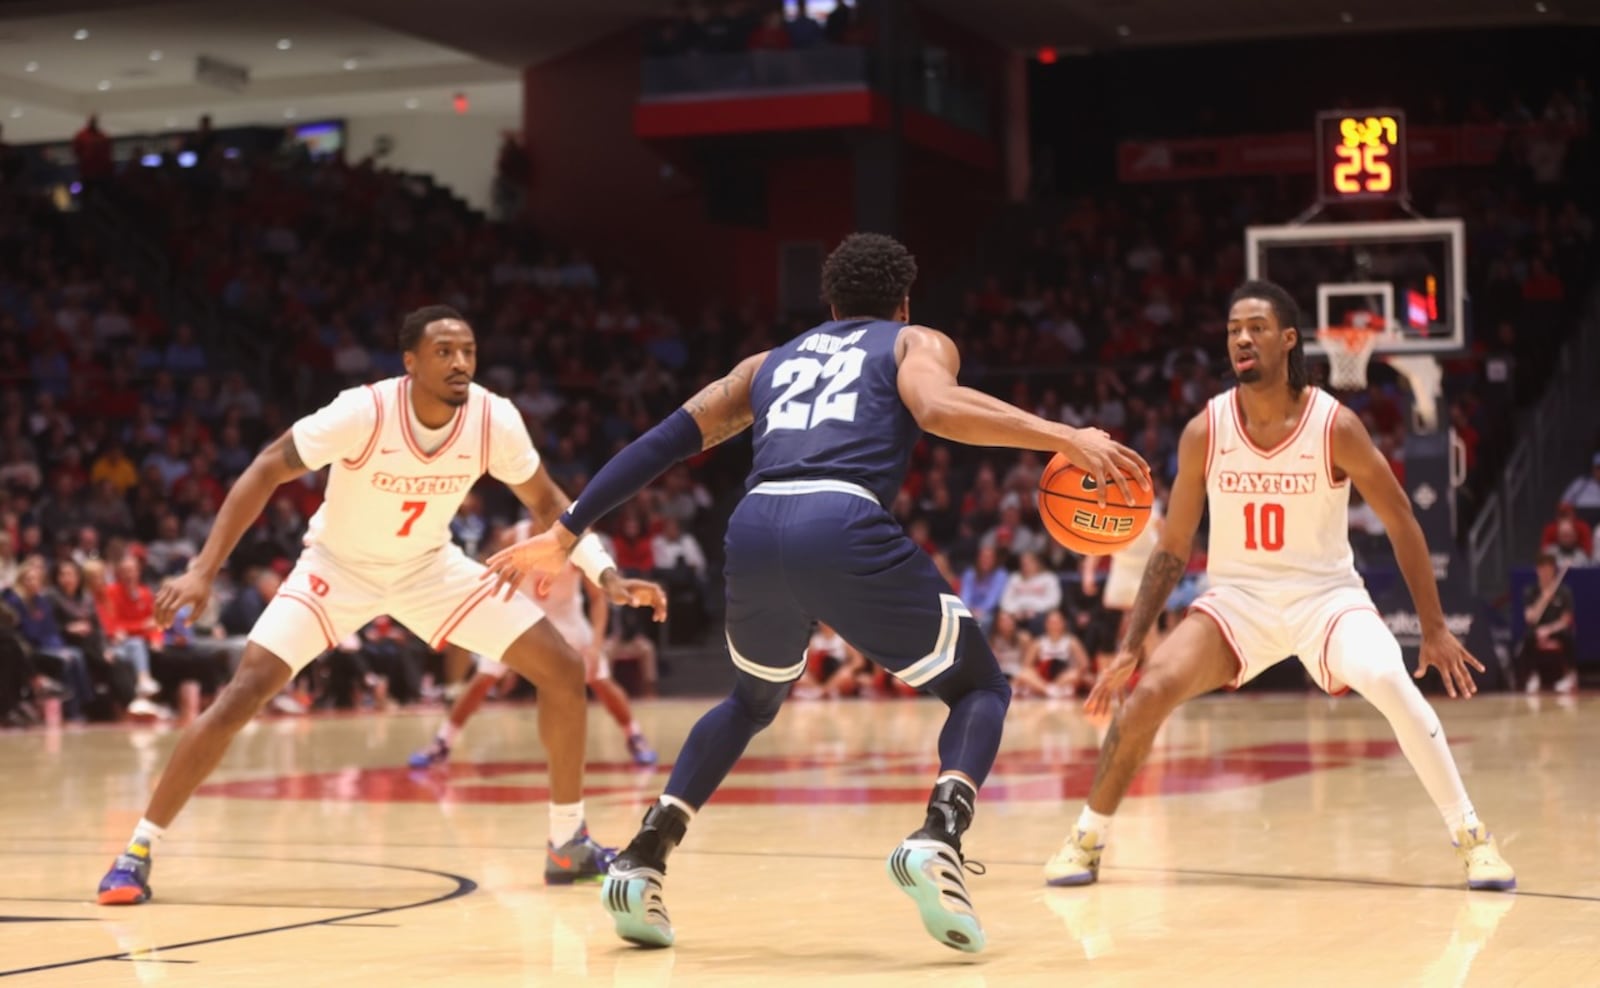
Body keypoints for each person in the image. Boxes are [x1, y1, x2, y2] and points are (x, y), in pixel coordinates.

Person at [488, 233, 1148, 952]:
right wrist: (1060, 435)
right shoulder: (913, 340)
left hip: (754, 523)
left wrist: (567, 529)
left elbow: (662, 442)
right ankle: (940, 836)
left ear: (829, 303)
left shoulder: (767, 362)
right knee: (980, 685)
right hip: (841, 517)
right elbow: (936, 407)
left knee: (749, 702)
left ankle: (645, 855)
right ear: (903, 302)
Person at [96, 305, 666, 906]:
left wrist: (605, 573)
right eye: (444, 351)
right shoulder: (362, 410)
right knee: (245, 691)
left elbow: (551, 501)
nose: (460, 363)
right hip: (337, 568)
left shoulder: (493, 418)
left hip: (429, 568)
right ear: (410, 362)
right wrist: (203, 569)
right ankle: (136, 848)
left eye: (468, 351)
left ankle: (566, 843)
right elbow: (267, 467)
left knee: (565, 666)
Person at [1043, 280, 1516, 893]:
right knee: (1150, 689)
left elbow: (1402, 519)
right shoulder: (1204, 430)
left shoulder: (1335, 426)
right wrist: (1133, 644)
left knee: (1387, 679)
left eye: (1256, 327)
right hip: (1238, 600)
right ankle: (1088, 836)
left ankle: (1472, 837)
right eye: (1234, 328)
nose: (1242, 337)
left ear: (1288, 339)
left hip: (1326, 598)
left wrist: (1432, 627)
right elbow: (1173, 546)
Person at [410, 519, 661, 769]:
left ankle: (634, 737)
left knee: (600, 680)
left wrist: (596, 646)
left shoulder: (577, 538)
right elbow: (492, 583)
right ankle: (442, 743)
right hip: (523, 617)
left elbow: (597, 599)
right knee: (483, 678)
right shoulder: (513, 536)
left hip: (567, 619)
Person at [1520, 553, 1577, 694]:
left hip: (1556, 629)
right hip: (1537, 630)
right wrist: (1543, 599)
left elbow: (1566, 620)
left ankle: (1569, 676)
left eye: (1549, 569)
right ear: (1537, 570)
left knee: (1567, 635)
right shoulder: (1530, 591)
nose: (1545, 573)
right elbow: (1530, 618)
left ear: (1554, 570)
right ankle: (1532, 676)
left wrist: (1549, 630)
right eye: (1542, 569)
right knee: (1528, 637)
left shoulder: (1564, 592)